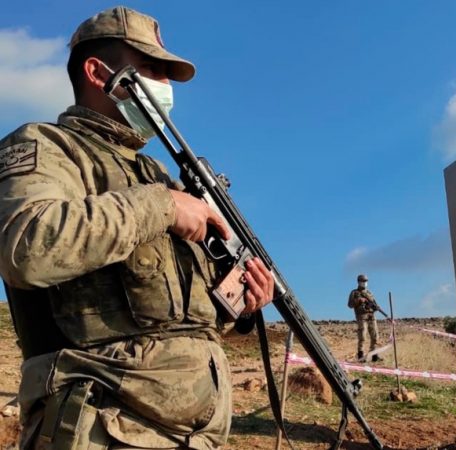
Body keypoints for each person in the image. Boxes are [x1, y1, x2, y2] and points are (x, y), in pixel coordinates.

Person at [0, 6, 275, 449]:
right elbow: (26, 249)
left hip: (196, 435)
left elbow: (170, 319)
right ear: (96, 71)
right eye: (151, 70)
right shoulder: (45, 146)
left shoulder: (152, 172)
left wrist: (236, 305)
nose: (164, 88)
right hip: (103, 424)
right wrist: (162, 206)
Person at [347, 274, 381, 362]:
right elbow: (350, 305)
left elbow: (374, 304)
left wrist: (376, 307)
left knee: (375, 336)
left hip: (371, 316)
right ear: (358, 282)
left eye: (366, 281)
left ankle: (374, 355)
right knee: (362, 336)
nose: (364, 283)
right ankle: (360, 355)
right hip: (361, 316)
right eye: (363, 281)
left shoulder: (369, 293)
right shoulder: (354, 292)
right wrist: (358, 300)